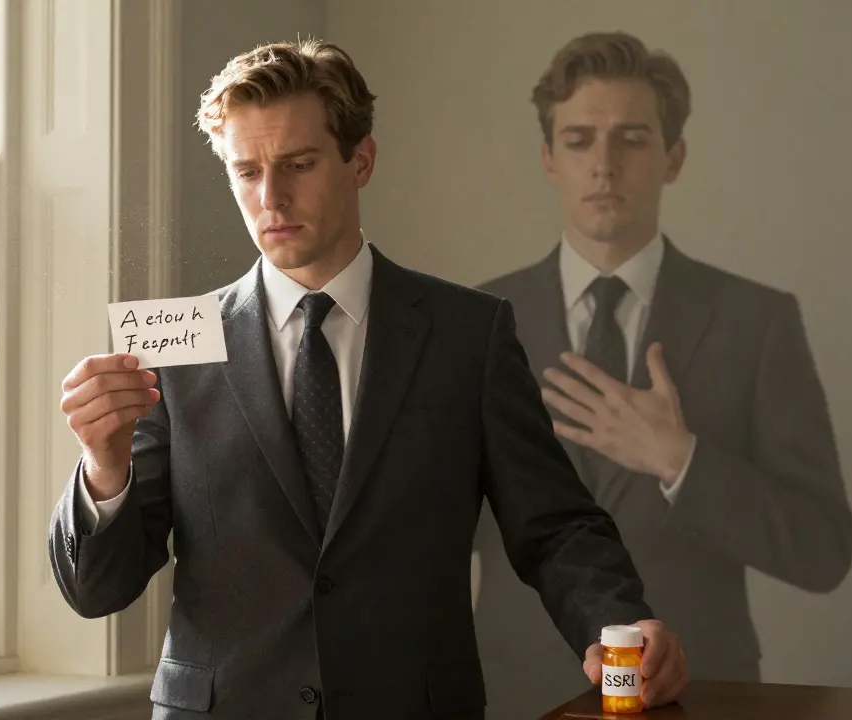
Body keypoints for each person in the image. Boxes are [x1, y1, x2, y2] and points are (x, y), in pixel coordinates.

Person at [48, 39, 688, 719]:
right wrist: (103, 469)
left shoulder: (467, 335)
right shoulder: (175, 352)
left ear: (361, 161)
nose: (271, 197)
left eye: (297, 164)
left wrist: (622, 622)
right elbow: (96, 591)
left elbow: (554, 525)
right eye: (247, 171)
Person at [471, 31, 852, 720]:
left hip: (706, 693)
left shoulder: (757, 321)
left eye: (633, 139)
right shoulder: (476, 321)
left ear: (673, 157)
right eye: (581, 139)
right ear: (548, 157)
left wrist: (681, 460)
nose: (606, 165)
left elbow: (824, 549)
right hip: (516, 693)